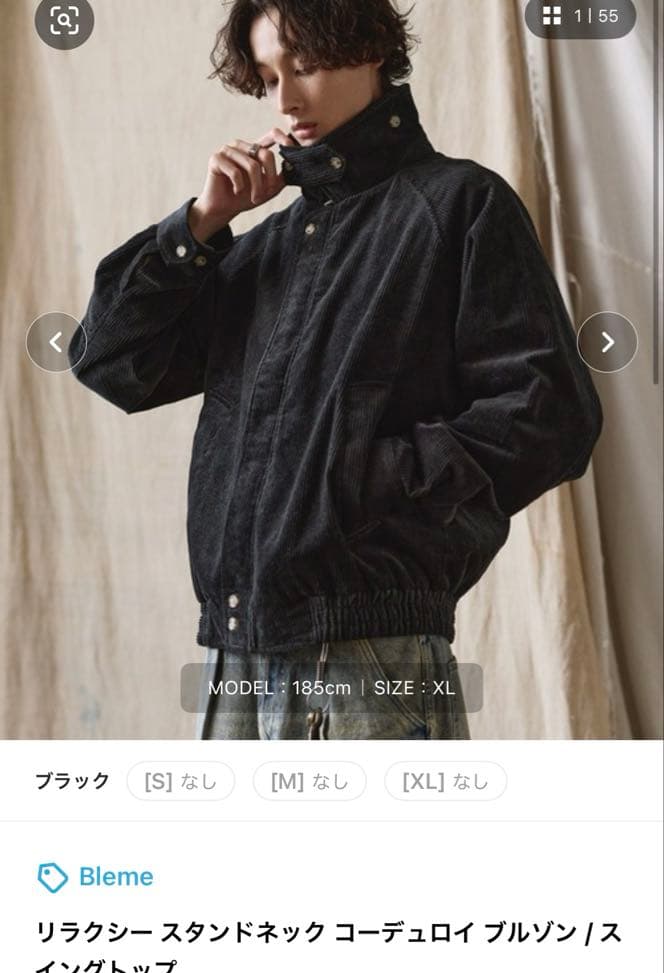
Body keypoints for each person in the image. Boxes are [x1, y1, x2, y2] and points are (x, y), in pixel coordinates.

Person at [69, 0, 603, 741]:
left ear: (371, 47)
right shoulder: (266, 250)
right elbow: (110, 360)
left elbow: (550, 415)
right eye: (268, 78)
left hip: (368, 660)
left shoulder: (458, 206)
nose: (286, 101)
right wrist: (199, 225)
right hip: (235, 659)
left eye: (307, 66)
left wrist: (360, 482)